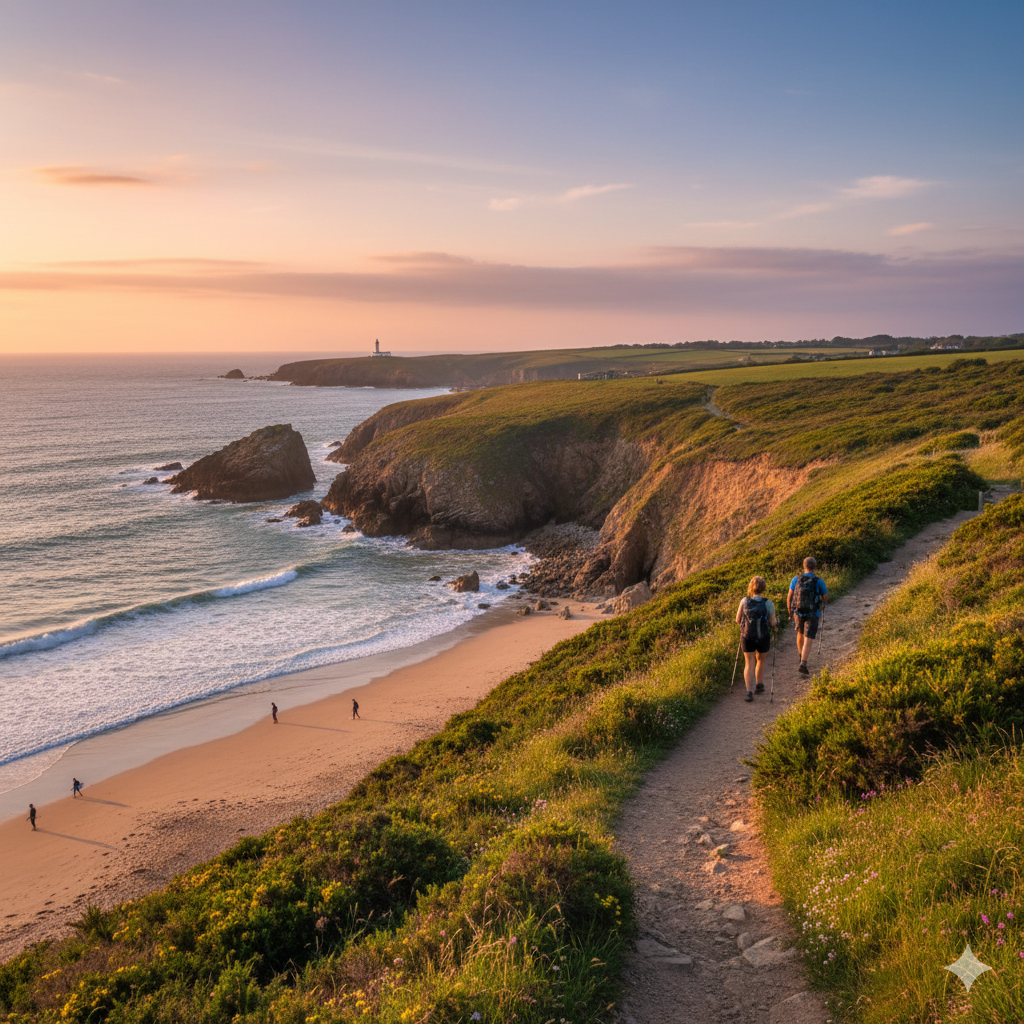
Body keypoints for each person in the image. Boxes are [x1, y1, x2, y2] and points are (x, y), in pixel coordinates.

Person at [736, 576, 777, 702]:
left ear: (751, 587)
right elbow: (773, 622)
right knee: (761, 660)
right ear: (763, 588)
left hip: (747, 636)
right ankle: (759, 685)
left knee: (749, 662)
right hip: (763, 636)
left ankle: (749, 691)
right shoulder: (768, 603)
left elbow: (738, 620)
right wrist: (776, 623)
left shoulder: (744, 601)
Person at [788, 556, 829, 674]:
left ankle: (801, 655)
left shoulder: (796, 579)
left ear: (804, 566)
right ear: (815, 567)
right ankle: (803, 662)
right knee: (809, 637)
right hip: (813, 612)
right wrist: (822, 599)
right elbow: (826, 597)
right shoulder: (819, 581)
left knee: (800, 633)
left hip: (797, 611)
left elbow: (789, 596)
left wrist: (790, 611)